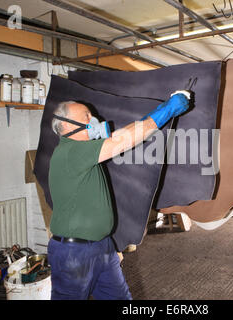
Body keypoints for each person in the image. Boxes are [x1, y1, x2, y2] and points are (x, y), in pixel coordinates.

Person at [47, 91, 190, 300]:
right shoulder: (70, 151)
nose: (93, 119)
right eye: (86, 116)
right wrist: (167, 109)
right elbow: (124, 139)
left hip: (102, 246)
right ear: (66, 125)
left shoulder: (85, 152)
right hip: (73, 254)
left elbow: (126, 134)